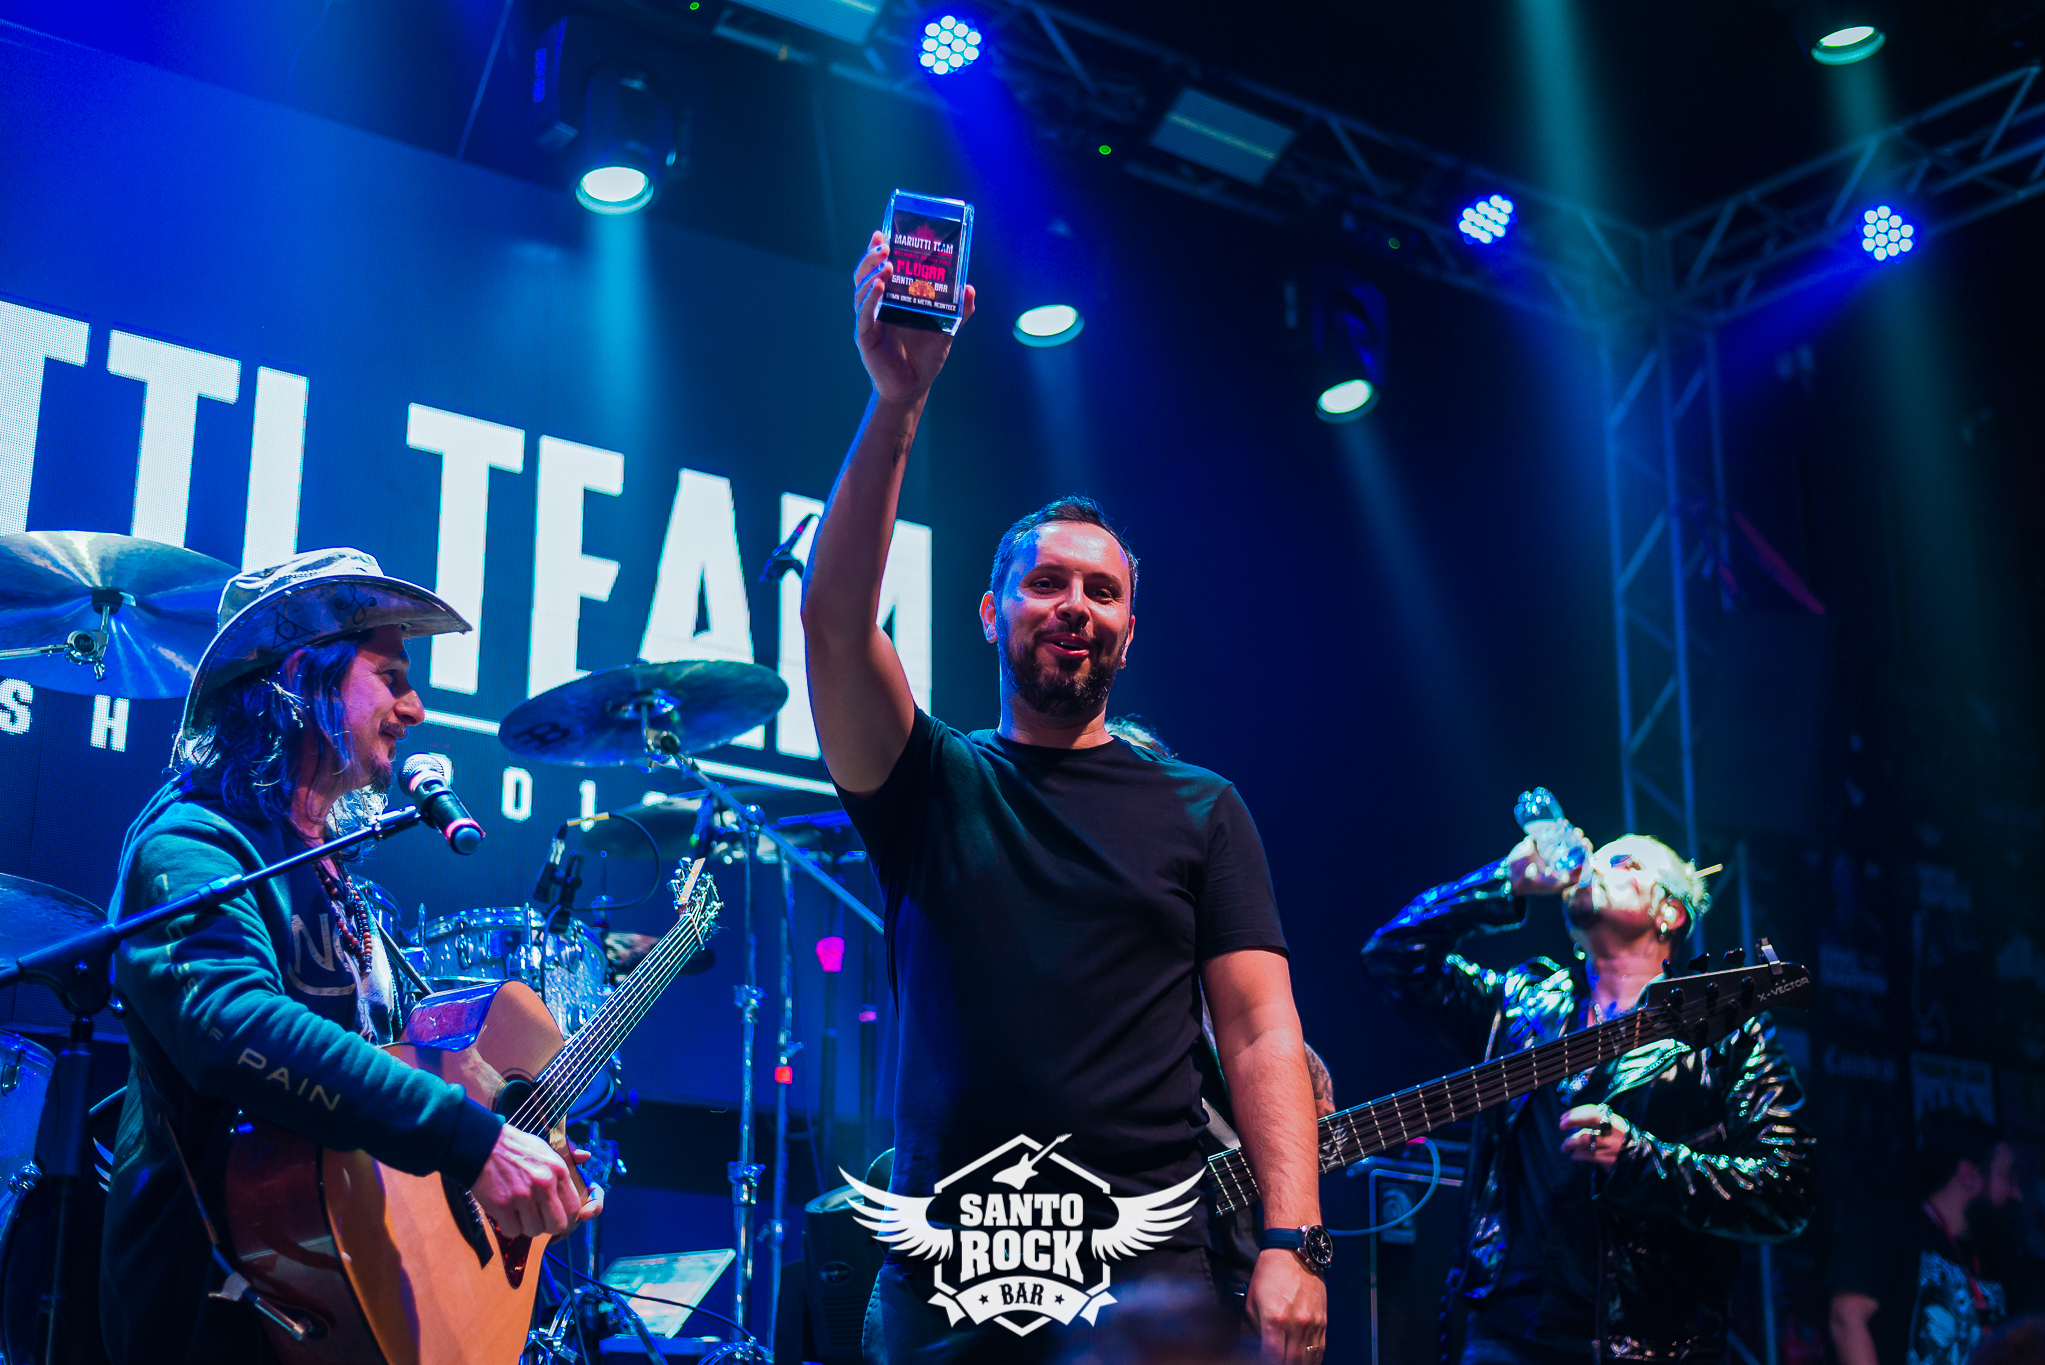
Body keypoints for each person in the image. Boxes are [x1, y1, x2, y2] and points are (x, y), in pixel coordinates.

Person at [805, 232, 1327, 1365]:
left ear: (1129, 634)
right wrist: (897, 400)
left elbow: (1258, 1030)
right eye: (1045, 582)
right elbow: (835, 625)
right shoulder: (932, 781)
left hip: (1147, 1289)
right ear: (990, 613)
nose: (1074, 604)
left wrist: (1293, 1240)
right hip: (948, 1285)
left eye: (1102, 590)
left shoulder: (1203, 807)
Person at [100, 548, 602, 1365]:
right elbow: (232, 1025)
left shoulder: (331, 871)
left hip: (337, 1303)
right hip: (220, 1318)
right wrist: (471, 1140)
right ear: (305, 676)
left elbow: (371, 1096)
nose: (415, 707)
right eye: (391, 676)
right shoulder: (190, 842)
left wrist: (516, 1158)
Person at [1361, 828, 1814, 1364]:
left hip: (1649, 1348)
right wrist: (1505, 882)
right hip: (1504, 1338)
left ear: (1669, 913)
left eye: (1624, 863)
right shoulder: (1522, 1004)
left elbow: (1787, 1189)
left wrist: (1639, 1160)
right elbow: (1393, 957)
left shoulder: (1726, 1032)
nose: (1595, 865)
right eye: (1597, 857)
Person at [1830, 1108, 2025, 1365]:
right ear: (1969, 1175)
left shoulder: (1992, 1259)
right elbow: (1847, 1317)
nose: (2017, 1193)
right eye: (2009, 1177)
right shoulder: (1890, 1226)